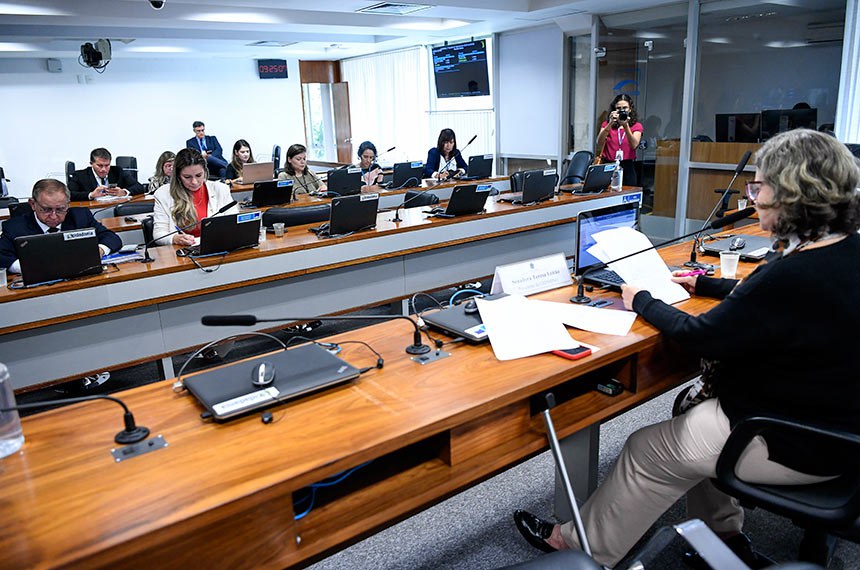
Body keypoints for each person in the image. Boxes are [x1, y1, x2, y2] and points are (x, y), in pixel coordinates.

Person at [513, 129, 860, 568]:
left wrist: (641, 299)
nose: (754, 196)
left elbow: (699, 336)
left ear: (793, 195)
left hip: (795, 440)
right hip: (839, 428)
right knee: (692, 416)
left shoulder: (792, 276)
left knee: (646, 450)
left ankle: (576, 549)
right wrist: (706, 282)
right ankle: (722, 537)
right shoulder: (842, 251)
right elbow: (780, 302)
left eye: (761, 186)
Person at [0, 178, 122, 271]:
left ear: (68, 204)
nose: (53, 216)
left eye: (60, 209)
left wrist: (99, 251)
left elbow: (112, 238)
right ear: (33, 204)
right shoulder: (14, 227)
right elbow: (2, 257)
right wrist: (33, 268)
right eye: (46, 209)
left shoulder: (80, 217)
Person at [152, 148, 238, 246]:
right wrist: (175, 238)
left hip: (217, 247)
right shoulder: (163, 194)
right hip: (182, 254)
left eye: (198, 175)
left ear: (205, 172)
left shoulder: (220, 189)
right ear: (178, 176)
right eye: (187, 177)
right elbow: (159, 234)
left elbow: (234, 224)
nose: (194, 182)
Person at [596, 94, 643, 186]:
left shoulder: (636, 126)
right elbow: (599, 142)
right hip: (609, 165)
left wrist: (626, 126)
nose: (622, 110)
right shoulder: (607, 124)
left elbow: (634, 145)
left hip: (627, 166)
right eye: (618, 108)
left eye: (625, 108)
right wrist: (610, 124)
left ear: (630, 109)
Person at [67, 148, 146, 201]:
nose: (104, 169)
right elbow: (69, 194)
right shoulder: (80, 175)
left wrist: (124, 192)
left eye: (107, 165)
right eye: (100, 166)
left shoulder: (117, 171)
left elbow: (139, 187)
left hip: (114, 208)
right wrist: (91, 195)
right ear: (91, 164)